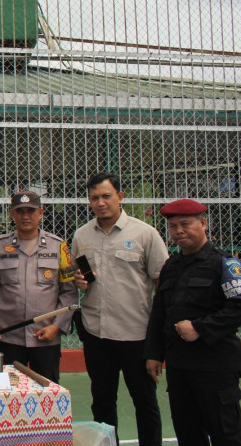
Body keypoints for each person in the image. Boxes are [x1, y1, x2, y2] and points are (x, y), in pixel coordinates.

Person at [145, 199, 241, 446]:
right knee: (188, 433)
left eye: (185, 224)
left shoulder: (224, 263)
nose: (178, 231)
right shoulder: (171, 266)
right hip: (180, 366)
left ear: (203, 224)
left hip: (215, 365)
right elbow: (160, 313)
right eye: (173, 226)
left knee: (225, 434)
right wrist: (153, 353)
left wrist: (200, 328)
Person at [72, 171, 168, 446]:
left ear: (120, 196)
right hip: (96, 334)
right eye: (94, 198)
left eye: (106, 196)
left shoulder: (145, 234)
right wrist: (80, 280)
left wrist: (158, 340)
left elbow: (162, 285)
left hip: (136, 335)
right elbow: (83, 277)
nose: (100, 202)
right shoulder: (82, 236)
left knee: (145, 402)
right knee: (102, 401)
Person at [0, 191, 77, 382]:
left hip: (46, 337)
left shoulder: (58, 247)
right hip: (8, 337)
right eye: (20, 211)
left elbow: (69, 293)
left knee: (47, 394)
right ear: (12, 214)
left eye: (31, 211)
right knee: (9, 395)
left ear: (41, 212)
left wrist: (56, 327)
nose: (25, 216)